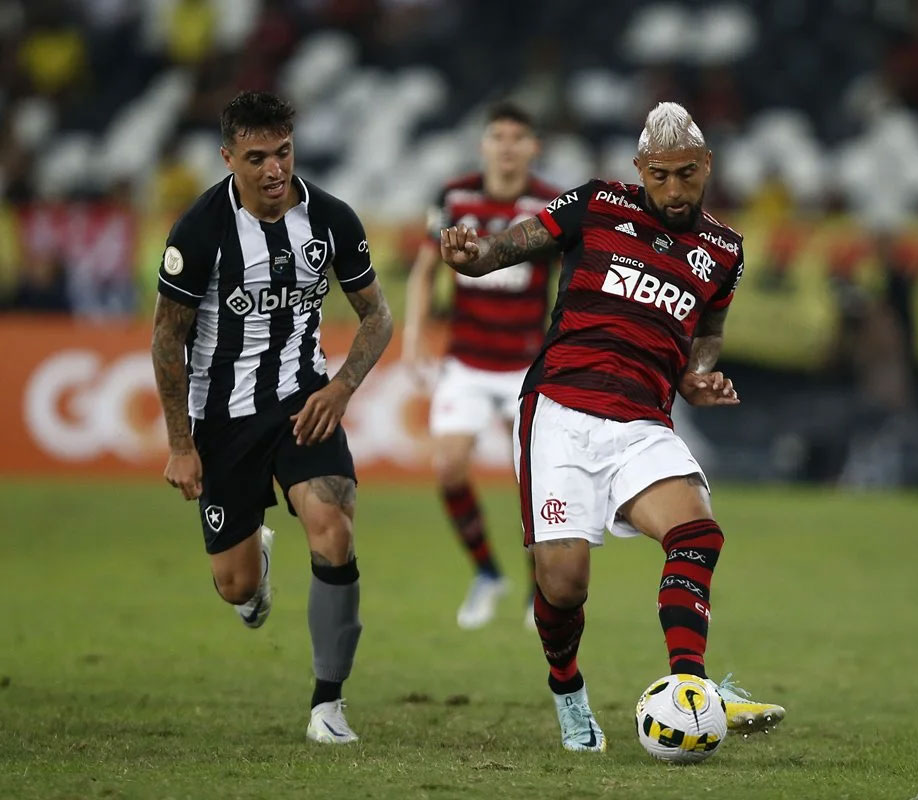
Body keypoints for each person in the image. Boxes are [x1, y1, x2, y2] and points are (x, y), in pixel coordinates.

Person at [440, 102, 785, 752]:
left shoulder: (723, 250)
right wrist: (472, 254)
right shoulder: (597, 203)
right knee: (564, 586)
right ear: (640, 169)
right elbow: (506, 248)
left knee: (697, 532)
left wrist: (698, 374)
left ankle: (693, 690)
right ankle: (569, 694)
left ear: (707, 166)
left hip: (643, 421)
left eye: (688, 174)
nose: (675, 189)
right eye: (662, 175)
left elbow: (706, 334)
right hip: (561, 412)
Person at [150, 91, 393, 742]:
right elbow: (166, 338)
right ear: (228, 157)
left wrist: (340, 388)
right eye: (255, 157)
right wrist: (181, 444)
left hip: (302, 403)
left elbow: (378, 315)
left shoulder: (332, 220)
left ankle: (328, 705)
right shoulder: (200, 230)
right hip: (222, 420)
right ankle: (253, 572)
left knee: (334, 532)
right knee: (233, 587)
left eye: (282, 152)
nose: (273, 170)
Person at [403, 102, 558, 630]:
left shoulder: (549, 203)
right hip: (466, 361)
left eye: (519, 136)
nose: (508, 145)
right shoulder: (455, 196)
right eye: (498, 135)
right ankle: (488, 573)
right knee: (447, 467)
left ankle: (539, 591)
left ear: (533, 146)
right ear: (484, 144)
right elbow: (425, 270)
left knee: (535, 484)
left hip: (525, 364)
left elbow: (571, 277)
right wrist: (413, 336)